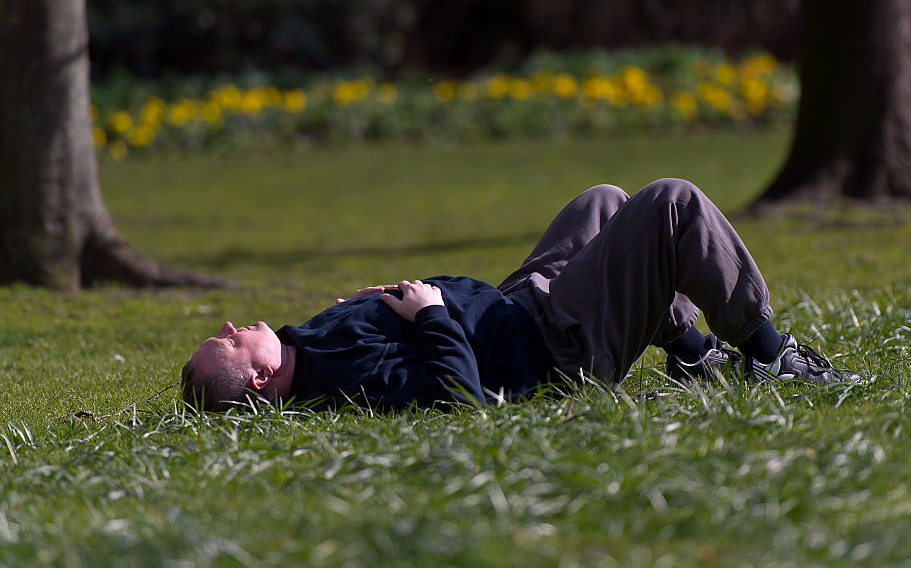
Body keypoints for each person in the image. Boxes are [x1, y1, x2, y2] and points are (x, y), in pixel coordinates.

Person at [181, 178, 859, 412]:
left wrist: (393, 301)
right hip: (556, 348)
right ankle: (770, 355)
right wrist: (433, 313)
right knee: (670, 205)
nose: (233, 322)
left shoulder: (306, 342)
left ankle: (689, 352)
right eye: (232, 340)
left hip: (518, 305)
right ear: (264, 376)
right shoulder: (350, 379)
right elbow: (460, 397)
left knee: (601, 202)